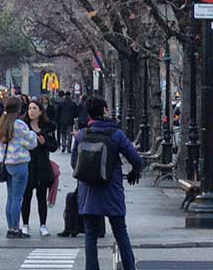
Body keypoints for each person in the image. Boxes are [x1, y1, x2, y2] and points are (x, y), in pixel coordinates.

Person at [72, 97, 144, 270]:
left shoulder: (82, 135)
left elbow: (74, 164)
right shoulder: (116, 134)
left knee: (90, 234)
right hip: (111, 189)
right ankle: (129, 267)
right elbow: (136, 159)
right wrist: (134, 173)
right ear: (104, 111)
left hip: (88, 190)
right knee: (120, 232)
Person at [0, 97, 37, 239]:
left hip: (7, 163)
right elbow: (33, 142)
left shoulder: (1, 123)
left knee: (10, 197)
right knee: (17, 198)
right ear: (19, 109)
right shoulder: (19, 124)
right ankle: (15, 228)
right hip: (20, 163)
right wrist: (25, 142)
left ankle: (10, 227)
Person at [21, 99, 58, 236]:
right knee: (27, 196)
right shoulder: (23, 127)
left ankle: (43, 224)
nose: (31, 111)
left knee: (41, 196)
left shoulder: (47, 128)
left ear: (41, 111)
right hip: (27, 165)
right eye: (30, 108)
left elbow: (54, 146)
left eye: (35, 108)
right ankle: (25, 224)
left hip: (42, 165)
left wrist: (44, 143)